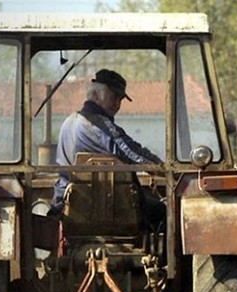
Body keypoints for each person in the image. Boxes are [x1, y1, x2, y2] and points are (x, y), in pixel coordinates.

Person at [50, 69, 164, 226]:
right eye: (113, 97)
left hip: (67, 202)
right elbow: (131, 153)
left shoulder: (69, 121)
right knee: (161, 211)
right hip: (97, 202)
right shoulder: (98, 124)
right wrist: (164, 169)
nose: (117, 104)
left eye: (120, 100)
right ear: (96, 96)